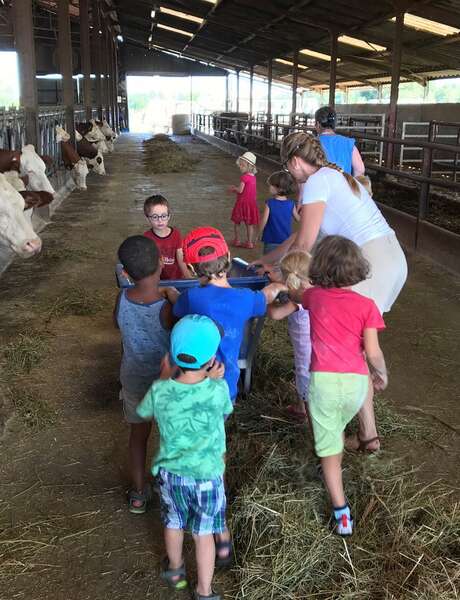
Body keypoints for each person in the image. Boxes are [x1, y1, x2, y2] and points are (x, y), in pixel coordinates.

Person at [252, 131, 407, 453]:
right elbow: (304, 237)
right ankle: (368, 437)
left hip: (371, 262)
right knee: (357, 347)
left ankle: (366, 436)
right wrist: (265, 261)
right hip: (390, 259)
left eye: (288, 167)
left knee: (353, 349)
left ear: (295, 162)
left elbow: (306, 245)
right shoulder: (335, 176)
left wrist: (282, 279)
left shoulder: (316, 183)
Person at [295, 235, 387, 536]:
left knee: (329, 453)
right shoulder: (367, 305)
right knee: (340, 422)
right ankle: (359, 439)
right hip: (357, 384)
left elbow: (297, 295)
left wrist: (286, 282)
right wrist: (382, 374)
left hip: (323, 383)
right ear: (357, 268)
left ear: (319, 266)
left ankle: (342, 514)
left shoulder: (315, 297)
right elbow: (372, 351)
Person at [136, 314, 233, 600]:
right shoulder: (218, 389)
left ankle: (176, 571)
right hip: (207, 476)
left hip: (171, 475)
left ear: (173, 351)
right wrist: (213, 380)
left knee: (174, 522)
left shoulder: (161, 390)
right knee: (203, 533)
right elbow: (224, 411)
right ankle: (204, 591)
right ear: (211, 358)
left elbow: (143, 413)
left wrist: (164, 379)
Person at [174, 226, 285, 404]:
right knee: (218, 423)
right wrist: (279, 285)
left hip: (193, 380)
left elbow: (176, 306)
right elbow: (267, 296)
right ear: (228, 257)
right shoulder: (245, 298)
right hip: (225, 383)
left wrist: (168, 290)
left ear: (190, 268)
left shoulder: (191, 297)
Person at [114, 235, 176, 514]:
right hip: (166, 384)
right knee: (169, 438)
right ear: (162, 263)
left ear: (125, 274)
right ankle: (170, 492)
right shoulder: (166, 307)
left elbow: (117, 323)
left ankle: (139, 494)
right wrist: (174, 297)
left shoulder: (121, 298)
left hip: (134, 379)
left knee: (138, 437)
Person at [267, 251, 311, 421]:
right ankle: (301, 408)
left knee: (304, 377)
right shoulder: (315, 293)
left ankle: (310, 420)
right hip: (320, 348)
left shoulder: (297, 302)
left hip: (306, 354)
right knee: (302, 375)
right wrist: (277, 282)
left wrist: (266, 297)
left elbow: (275, 314)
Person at [143, 194, 190, 280]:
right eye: (155, 217)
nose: (160, 220)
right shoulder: (147, 237)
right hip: (158, 279)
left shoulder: (176, 234)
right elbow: (147, 262)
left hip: (176, 277)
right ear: (147, 218)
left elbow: (180, 259)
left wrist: (188, 277)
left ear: (169, 217)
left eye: (163, 216)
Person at [315, 106, 365, 176]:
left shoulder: (311, 142)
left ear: (317, 124)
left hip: (319, 185)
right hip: (344, 184)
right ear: (334, 124)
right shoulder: (348, 143)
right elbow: (360, 170)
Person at [259, 170, 299, 254]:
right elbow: (298, 219)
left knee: (267, 262)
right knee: (279, 264)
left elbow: (264, 221)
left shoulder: (269, 203)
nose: (269, 187)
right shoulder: (291, 204)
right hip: (286, 241)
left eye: (271, 185)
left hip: (271, 240)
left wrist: (258, 233)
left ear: (278, 188)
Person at [228, 151, 259, 249]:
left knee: (237, 223)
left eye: (242, 165)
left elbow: (240, 190)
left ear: (249, 166)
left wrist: (233, 188)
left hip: (242, 203)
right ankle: (249, 242)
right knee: (249, 224)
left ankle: (237, 240)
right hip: (251, 204)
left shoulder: (244, 177)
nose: (240, 167)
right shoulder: (253, 177)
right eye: (240, 165)